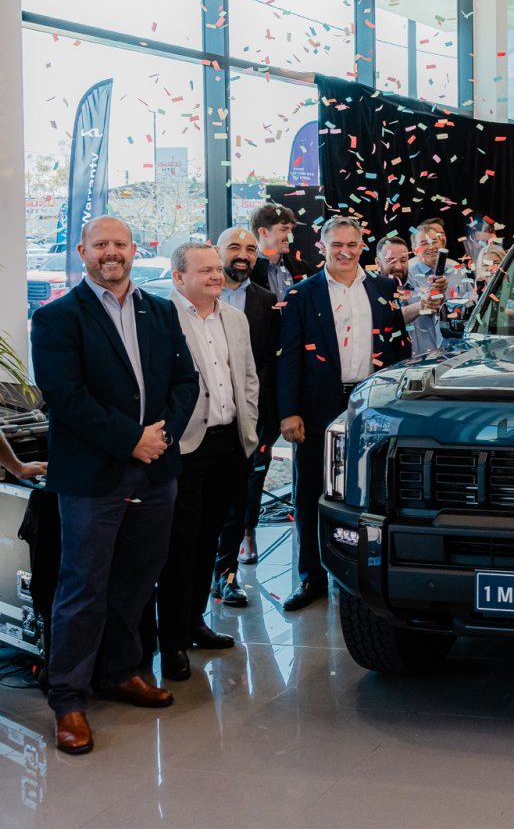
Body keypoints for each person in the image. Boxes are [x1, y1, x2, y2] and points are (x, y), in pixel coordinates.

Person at [31, 215, 199, 756]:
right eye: (100, 244)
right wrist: (131, 440)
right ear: (82, 251)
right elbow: (65, 396)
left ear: (134, 250)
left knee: (136, 581)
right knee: (83, 587)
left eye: (119, 244)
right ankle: (68, 699)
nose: (111, 252)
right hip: (93, 475)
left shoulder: (162, 310)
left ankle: (122, 672)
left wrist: (160, 438)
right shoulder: (56, 317)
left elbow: (186, 381)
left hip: (155, 469)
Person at [277, 217, 411, 612]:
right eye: (337, 244)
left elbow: (399, 347)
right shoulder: (302, 294)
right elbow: (288, 358)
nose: (345, 251)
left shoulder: (383, 289)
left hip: (373, 404)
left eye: (352, 244)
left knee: (373, 490)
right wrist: (289, 412)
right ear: (322, 246)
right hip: (318, 406)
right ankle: (310, 577)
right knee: (310, 492)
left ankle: (372, 573)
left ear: (362, 245)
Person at [147, 243, 258, 680]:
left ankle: (194, 624)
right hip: (184, 446)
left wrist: (249, 426)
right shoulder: (161, 318)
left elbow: (247, 378)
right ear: (179, 278)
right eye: (205, 270)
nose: (216, 276)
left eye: (217, 269)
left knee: (209, 538)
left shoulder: (235, 317)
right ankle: (172, 642)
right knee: (180, 546)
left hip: (229, 443)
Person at [210, 226, 280, 598]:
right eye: (234, 247)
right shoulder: (194, 297)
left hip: (250, 415)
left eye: (251, 249)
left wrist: (254, 406)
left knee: (242, 494)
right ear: (216, 250)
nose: (243, 255)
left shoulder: (266, 301)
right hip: (202, 418)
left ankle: (227, 575)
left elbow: (268, 359)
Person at [406, 217, 470, 354]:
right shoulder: (407, 274)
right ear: (414, 249)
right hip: (421, 354)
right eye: (424, 243)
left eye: (434, 241)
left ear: (442, 243)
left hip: (455, 352)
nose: (431, 247)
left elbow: (470, 304)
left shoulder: (457, 269)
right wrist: (427, 300)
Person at [249, 203, 299, 301]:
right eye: (284, 229)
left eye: (291, 230)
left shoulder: (301, 268)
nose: (291, 237)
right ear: (263, 232)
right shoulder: (248, 271)